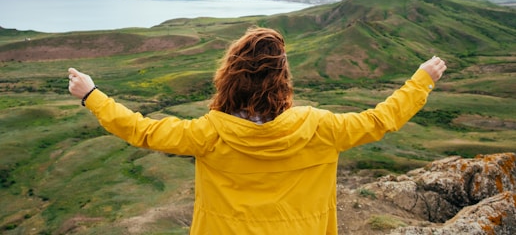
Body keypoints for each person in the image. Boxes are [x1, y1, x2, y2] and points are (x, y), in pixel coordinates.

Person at [68, 27, 447, 234]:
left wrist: (92, 95)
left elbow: (142, 131)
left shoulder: (209, 133)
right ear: (283, 80)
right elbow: (381, 120)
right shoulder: (320, 128)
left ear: (229, 78)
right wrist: (421, 81)